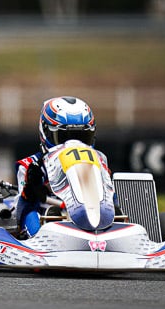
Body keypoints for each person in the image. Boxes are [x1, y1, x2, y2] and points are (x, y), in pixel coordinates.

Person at [14, 96, 111, 238]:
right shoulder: (31, 165)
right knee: (32, 212)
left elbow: (110, 197)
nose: (73, 145)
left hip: (96, 218)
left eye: (81, 137)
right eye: (64, 136)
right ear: (46, 132)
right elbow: (20, 211)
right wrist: (31, 190)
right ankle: (35, 239)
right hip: (51, 226)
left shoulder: (99, 160)